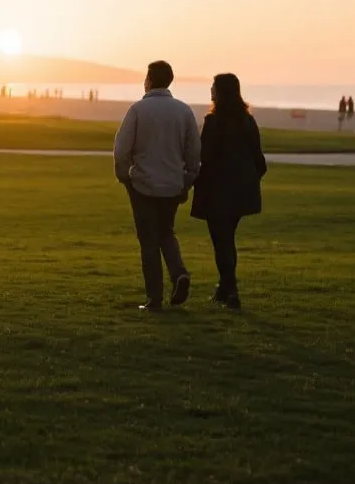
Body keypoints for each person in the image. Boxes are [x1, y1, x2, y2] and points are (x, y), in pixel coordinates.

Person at [114, 61, 201, 311]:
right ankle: (179, 273)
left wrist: (124, 176)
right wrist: (187, 179)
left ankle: (154, 298)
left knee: (148, 240)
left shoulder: (138, 110)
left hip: (143, 184)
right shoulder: (184, 111)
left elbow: (121, 150)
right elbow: (193, 152)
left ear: (149, 80)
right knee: (166, 232)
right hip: (172, 184)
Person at [191, 74, 267, 310]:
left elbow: (205, 156)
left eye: (213, 87)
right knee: (226, 238)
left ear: (220, 92)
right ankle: (224, 289)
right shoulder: (247, 121)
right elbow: (259, 160)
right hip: (241, 190)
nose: (210, 91)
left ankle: (230, 288)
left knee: (221, 240)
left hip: (218, 190)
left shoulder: (214, 122)